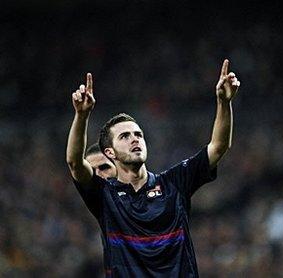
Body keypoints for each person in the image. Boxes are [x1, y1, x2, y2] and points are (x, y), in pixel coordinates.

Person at [66, 59, 240, 277]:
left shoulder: (174, 182)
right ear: (110, 152)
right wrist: (81, 116)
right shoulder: (105, 196)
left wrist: (224, 102)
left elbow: (218, 146)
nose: (135, 139)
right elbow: (74, 162)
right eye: (125, 136)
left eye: (138, 134)